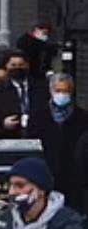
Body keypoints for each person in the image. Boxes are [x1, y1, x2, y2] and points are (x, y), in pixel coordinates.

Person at [28, 73, 88, 213]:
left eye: (65, 91)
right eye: (58, 91)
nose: (62, 95)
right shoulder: (37, 117)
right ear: (51, 91)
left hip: (75, 180)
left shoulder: (83, 118)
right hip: (45, 176)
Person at [0, 51, 48, 139]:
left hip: (36, 138)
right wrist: (2, 124)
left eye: (21, 64)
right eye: (13, 65)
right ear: (6, 66)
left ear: (27, 65)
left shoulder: (42, 88)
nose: (17, 68)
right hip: (6, 140)